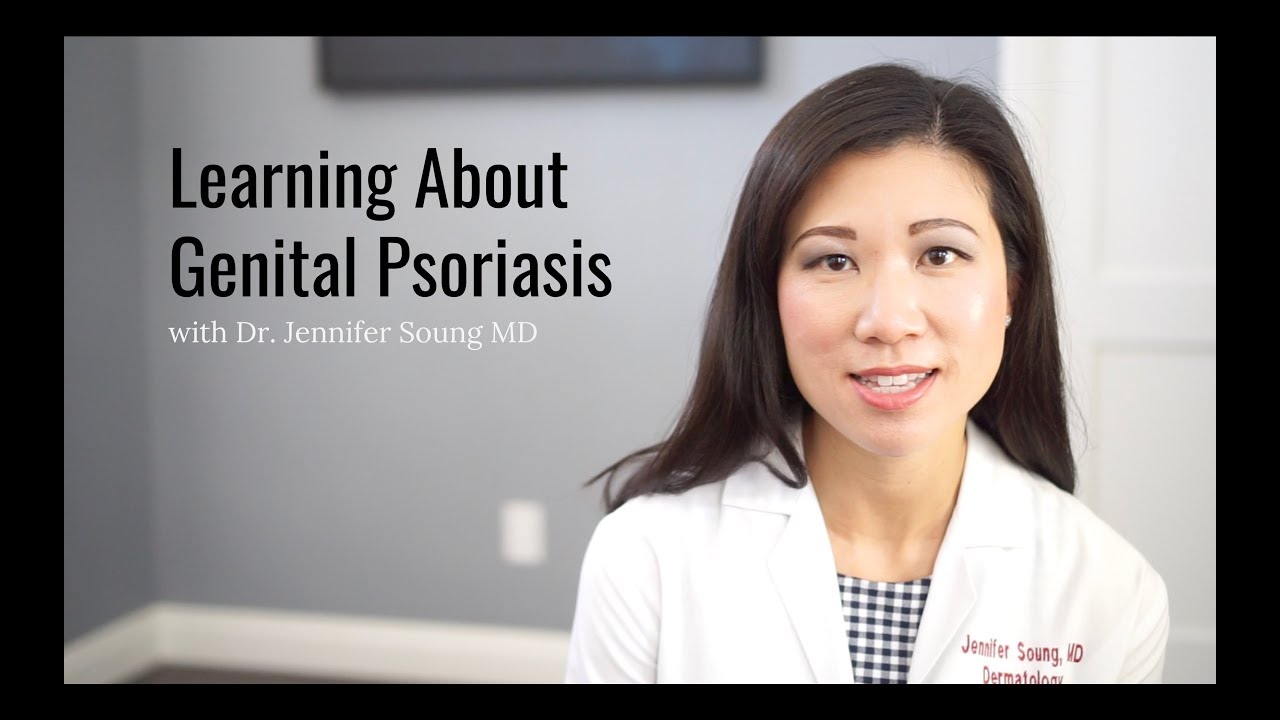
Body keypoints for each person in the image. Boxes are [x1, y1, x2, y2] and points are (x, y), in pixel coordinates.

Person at [564, 63, 1169, 684]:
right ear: (768, 296)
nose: (888, 321)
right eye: (834, 260)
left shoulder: (1113, 593)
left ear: (1014, 287)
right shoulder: (645, 558)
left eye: (940, 254)